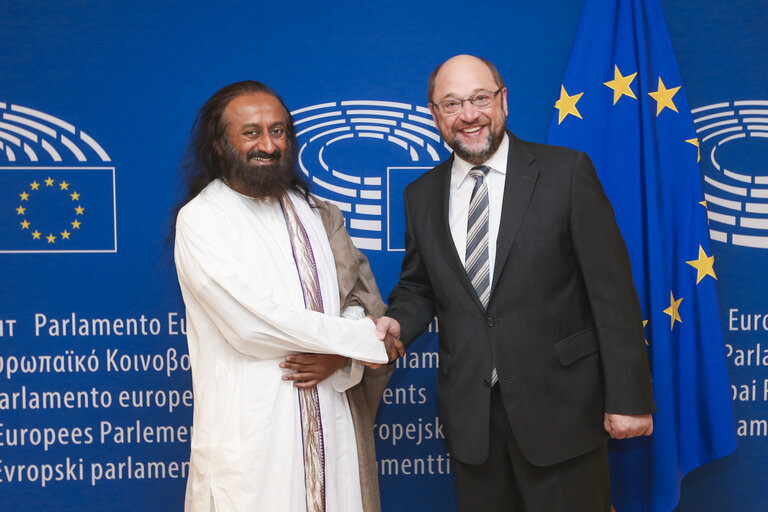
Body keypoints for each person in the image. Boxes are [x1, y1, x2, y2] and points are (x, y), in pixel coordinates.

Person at [375, 55, 656, 511]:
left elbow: (612, 294)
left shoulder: (565, 173)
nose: (468, 115)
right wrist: (396, 326)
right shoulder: (421, 195)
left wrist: (630, 398)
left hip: (563, 414)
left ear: (503, 101)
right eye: (451, 104)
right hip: (473, 422)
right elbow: (419, 288)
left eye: (480, 98)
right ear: (434, 116)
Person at [173, 80, 402, 512]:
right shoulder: (203, 220)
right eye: (251, 132)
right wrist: (364, 341)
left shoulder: (317, 212)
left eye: (278, 131)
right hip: (256, 440)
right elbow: (252, 323)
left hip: (332, 422)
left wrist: (343, 357)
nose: (268, 144)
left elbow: (357, 299)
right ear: (220, 145)